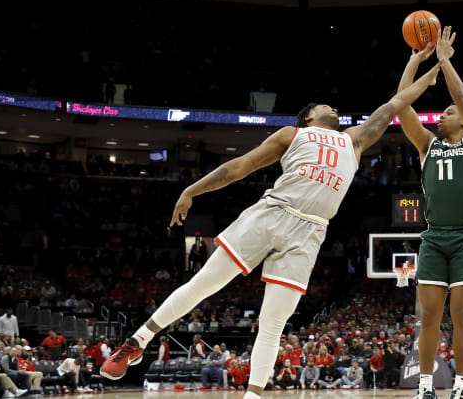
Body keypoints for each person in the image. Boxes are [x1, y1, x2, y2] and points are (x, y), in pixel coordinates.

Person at [100, 48, 443, 399]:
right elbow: (239, 168)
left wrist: (419, 68)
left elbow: (394, 105)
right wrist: (193, 189)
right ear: (308, 117)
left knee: (273, 324)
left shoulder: (353, 139)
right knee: (204, 283)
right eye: (325, 106)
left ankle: (252, 396)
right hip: (272, 212)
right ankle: (137, 340)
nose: (334, 109)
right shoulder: (290, 135)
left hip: (310, 231)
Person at [397, 27, 463, 399]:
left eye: (448, 113)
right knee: (430, 317)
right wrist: (414, 61)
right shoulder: (427, 146)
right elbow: (401, 106)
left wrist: (446, 62)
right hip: (433, 238)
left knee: (462, 316)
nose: (443, 116)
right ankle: (425, 387)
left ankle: (462, 387)